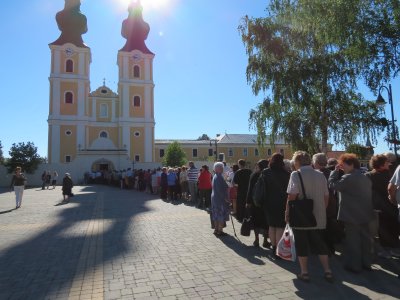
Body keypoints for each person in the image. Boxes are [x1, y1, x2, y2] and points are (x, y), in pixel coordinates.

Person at [286, 151, 333, 282]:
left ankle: (305, 272)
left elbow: (291, 196)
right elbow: (326, 197)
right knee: (320, 244)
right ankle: (328, 271)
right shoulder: (320, 175)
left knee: (302, 245)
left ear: (297, 162)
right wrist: (321, 211)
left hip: (301, 216)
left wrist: (287, 213)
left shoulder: (295, 174)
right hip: (318, 215)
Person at [329, 153, 374, 273]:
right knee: (365, 240)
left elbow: (333, 185)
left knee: (353, 240)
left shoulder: (348, 177)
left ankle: (354, 266)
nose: (341, 167)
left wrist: (334, 172)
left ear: (351, 165)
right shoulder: (364, 176)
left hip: (351, 215)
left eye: (343, 165)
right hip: (365, 213)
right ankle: (366, 263)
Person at [367, 154, 400, 258]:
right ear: (380, 165)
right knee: (389, 227)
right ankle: (393, 249)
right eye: (386, 162)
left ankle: (387, 250)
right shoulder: (390, 173)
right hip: (389, 204)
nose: (389, 163)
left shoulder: (369, 175)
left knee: (384, 228)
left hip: (380, 206)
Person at [261, 154, 290, 255]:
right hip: (282, 203)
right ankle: (278, 249)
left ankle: (273, 248)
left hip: (268, 203)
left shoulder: (265, 172)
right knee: (280, 227)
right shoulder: (286, 174)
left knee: (271, 226)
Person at [246, 159, 270, 248]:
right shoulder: (268, 175)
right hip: (266, 202)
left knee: (256, 221)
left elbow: (250, 189)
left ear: (259, 166)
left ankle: (256, 240)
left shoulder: (254, 175)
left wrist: (248, 202)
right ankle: (265, 240)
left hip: (255, 202)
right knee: (265, 222)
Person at [211, 162, 230, 237]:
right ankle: (220, 231)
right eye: (221, 168)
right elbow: (220, 190)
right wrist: (226, 199)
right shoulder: (218, 177)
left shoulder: (215, 176)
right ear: (217, 169)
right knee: (220, 215)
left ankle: (216, 229)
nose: (222, 169)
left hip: (215, 198)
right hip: (219, 199)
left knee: (216, 215)